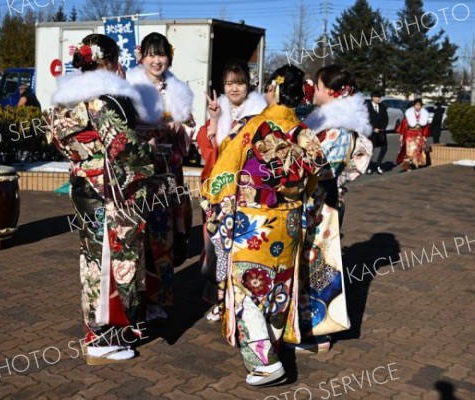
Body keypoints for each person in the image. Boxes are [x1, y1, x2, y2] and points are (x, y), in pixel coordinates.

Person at [201, 64, 326, 386]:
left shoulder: (253, 127)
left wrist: (214, 204)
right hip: (291, 221)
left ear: (275, 89)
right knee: (278, 286)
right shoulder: (304, 132)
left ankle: (265, 363)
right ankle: (273, 343)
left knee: (247, 290)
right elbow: (315, 181)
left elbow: (224, 173)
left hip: (254, 221)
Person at [48, 34, 154, 363]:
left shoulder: (64, 99)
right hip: (110, 190)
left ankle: (100, 332)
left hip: (82, 183)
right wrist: (149, 163)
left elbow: (54, 137)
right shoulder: (103, 99)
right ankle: (102, 338)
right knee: (112, 260)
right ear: (107, 61)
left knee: (92, 260)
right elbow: (127, 149)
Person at [297, 65, 373, 352]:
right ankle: (313, 330)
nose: (313, 91)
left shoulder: (337, 130)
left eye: (316, 86)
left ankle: (318, 334)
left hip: (320, 206)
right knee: (316, 266)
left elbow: (319, 170)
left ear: (330, 91)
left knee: (318, 266)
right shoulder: (337, 125)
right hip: (325, 203)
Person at [126, 32, 195, 322]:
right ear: (141, 56)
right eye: (152, 54)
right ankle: (135, 301)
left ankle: (158, 300)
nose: (157, 60)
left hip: (168, 171)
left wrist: (182, 127)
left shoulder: (176, 87)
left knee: (164, 235)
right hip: (142, 170)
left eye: (162, 54)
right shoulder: (131, 86)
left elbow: (190, 125)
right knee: (138, 236)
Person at [197, 59, 266, 322]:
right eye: (229, 83)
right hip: (219, 190)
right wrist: (214, 119)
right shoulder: (220, 109)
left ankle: (240, 301)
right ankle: (218, 298)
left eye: (239, 83)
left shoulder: (260, 112)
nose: (234, 89)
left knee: (241, 247)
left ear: (248, 84)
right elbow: (210, 148)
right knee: (216, 245)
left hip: (246, 190)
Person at [396, 98, 429, 172]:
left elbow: (426, 127)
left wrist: (424, 136)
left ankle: (416, 164)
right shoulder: (409, 114)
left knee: (418, 150)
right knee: (409, 151)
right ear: (414, 106)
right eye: (416, 105)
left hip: (419, 135)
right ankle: (407, 166)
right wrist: (402, 135)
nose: (418, 107)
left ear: (421, 106)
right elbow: (404, 125)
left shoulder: (424, 114)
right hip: (410, 135)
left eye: (419, 105)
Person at [365, 91, 388, 174]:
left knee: (384, 148)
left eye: (379, 97)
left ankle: (378, 165)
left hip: (381, 132)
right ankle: (370, 166)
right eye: (377, 97)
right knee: (371, 150)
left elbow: (386, 119)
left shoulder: (382, 106)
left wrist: (382, 128)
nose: (378, 99)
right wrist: (373, 128)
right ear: (373, 97)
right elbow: (366, 120)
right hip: (371, 133)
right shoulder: (367, 107)